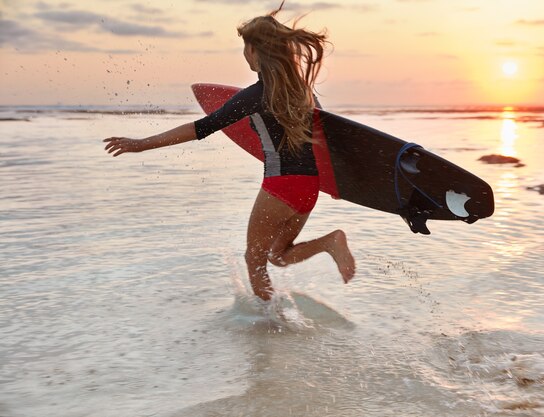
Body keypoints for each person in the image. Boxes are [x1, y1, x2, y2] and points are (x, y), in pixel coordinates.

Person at [103, 4, 355, 301]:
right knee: (279, 256)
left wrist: (140, 144)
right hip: (308, 188)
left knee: (254, 260)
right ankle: (330, 242)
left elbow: (201, 128)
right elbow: (322, 140)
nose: (243, 54)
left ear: (255, 51)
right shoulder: (303, 92)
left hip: (280, 187)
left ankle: (269, 328)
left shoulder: (255, 95)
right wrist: (336, 184)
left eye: (245, 47)